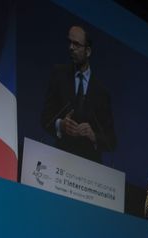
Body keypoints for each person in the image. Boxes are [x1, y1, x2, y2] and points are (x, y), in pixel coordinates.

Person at [41, 25, 116, 163]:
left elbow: (111, 141)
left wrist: (93, 135)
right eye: (69, 42)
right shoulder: (59, 75)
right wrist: (61, 125)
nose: (71, 48)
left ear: (88, 51)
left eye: (76, 44)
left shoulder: (102, 92)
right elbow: (45, 118)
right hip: (60, 161)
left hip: (89, 167)